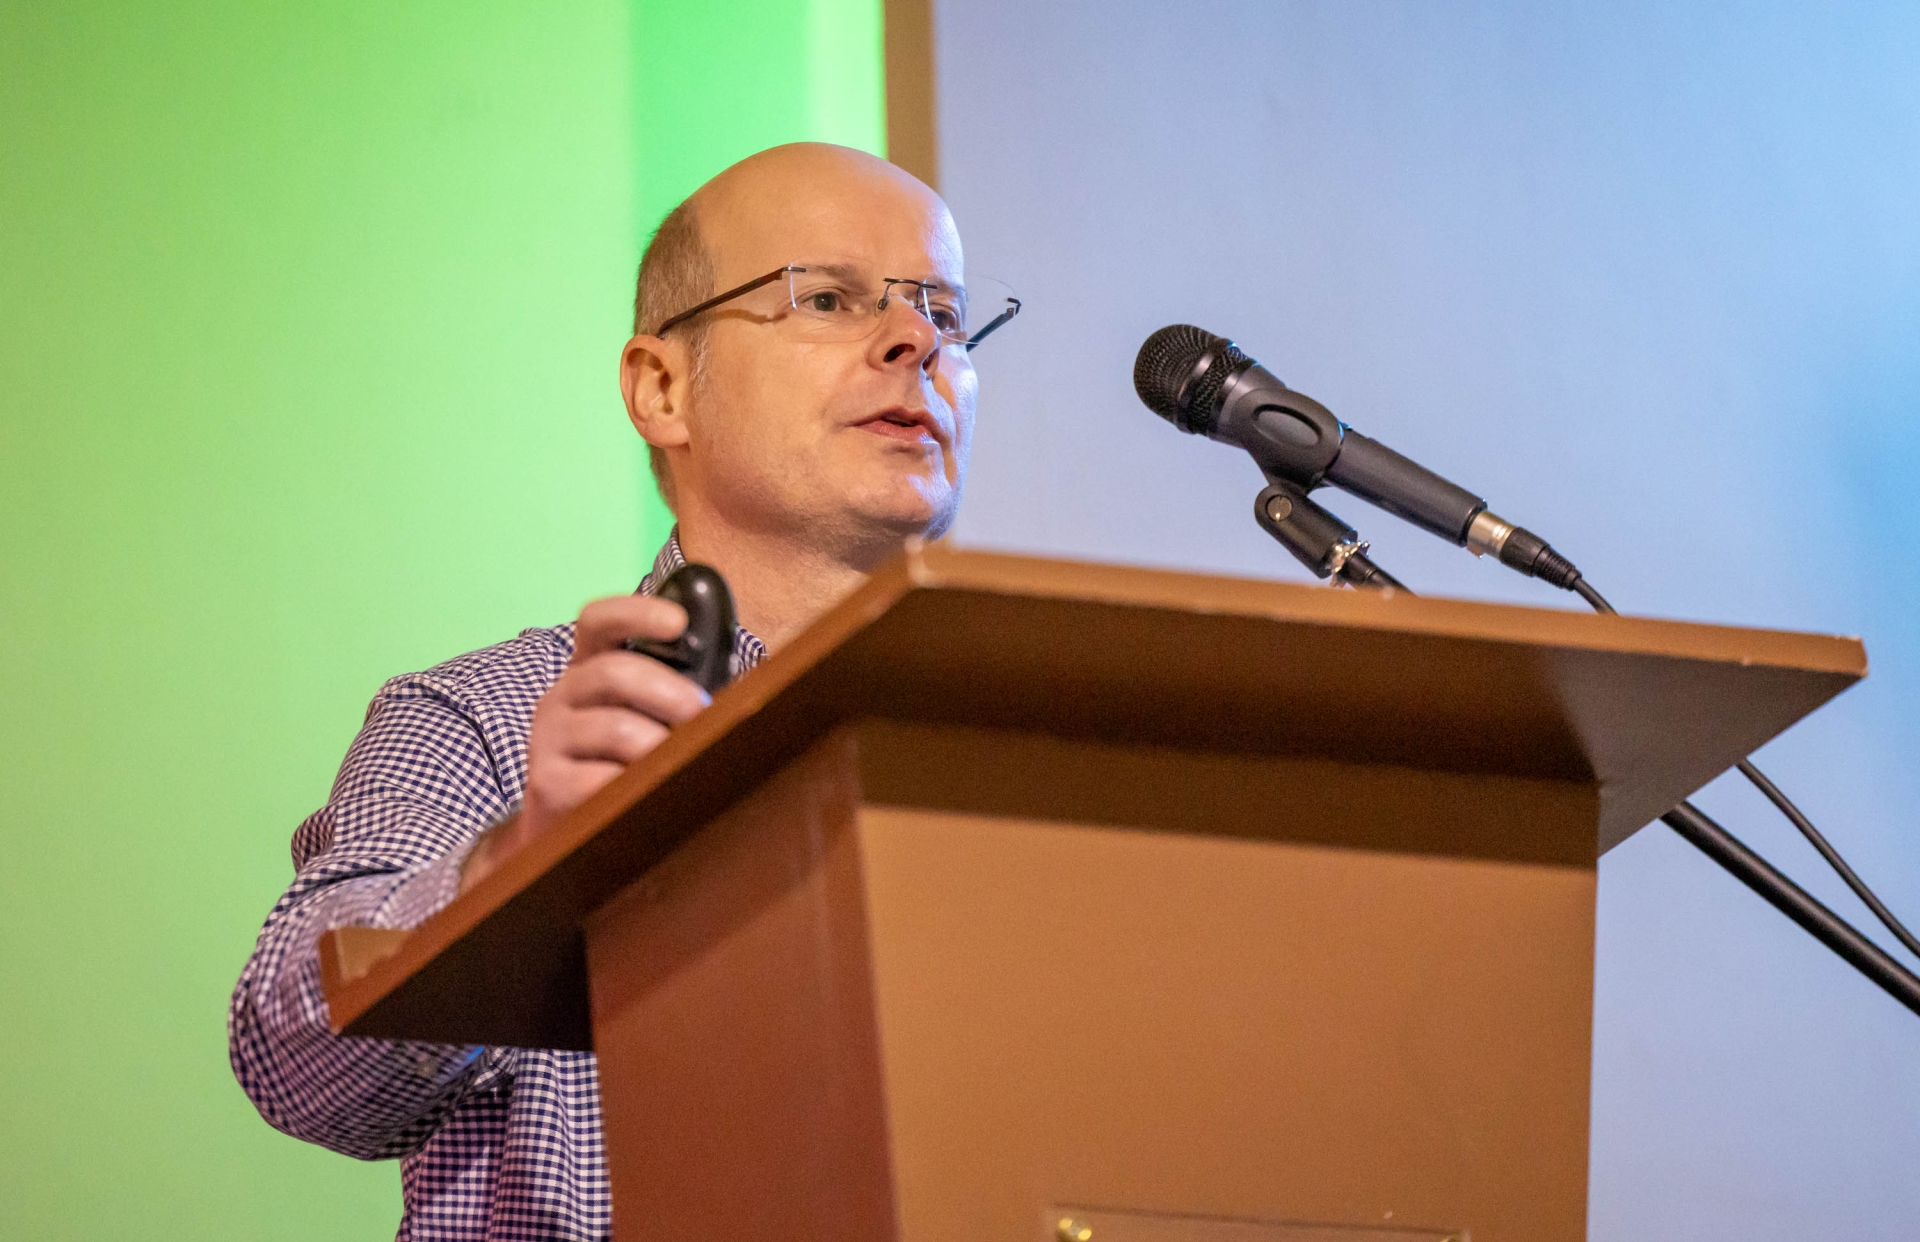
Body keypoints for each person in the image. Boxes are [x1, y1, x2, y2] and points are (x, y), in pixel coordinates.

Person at [228, 142, 1013, 1242]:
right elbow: (299, 1065)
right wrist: (524, 861)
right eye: (829, 299)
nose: (915, 340)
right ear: (661, 388)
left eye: (945, 311)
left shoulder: (1030, 741)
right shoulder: (493, 723)